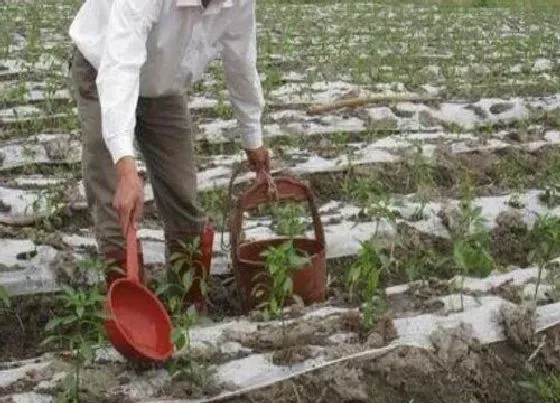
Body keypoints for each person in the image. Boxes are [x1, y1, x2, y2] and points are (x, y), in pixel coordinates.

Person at [67, 0, 270, 310]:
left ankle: (188, 306)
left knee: (182, 192)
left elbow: (241, 61)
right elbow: (120, 67)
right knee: (114, 198)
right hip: (103, 67)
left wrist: (252, 138)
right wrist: (125, 167)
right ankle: (131, 312)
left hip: (163, 85)